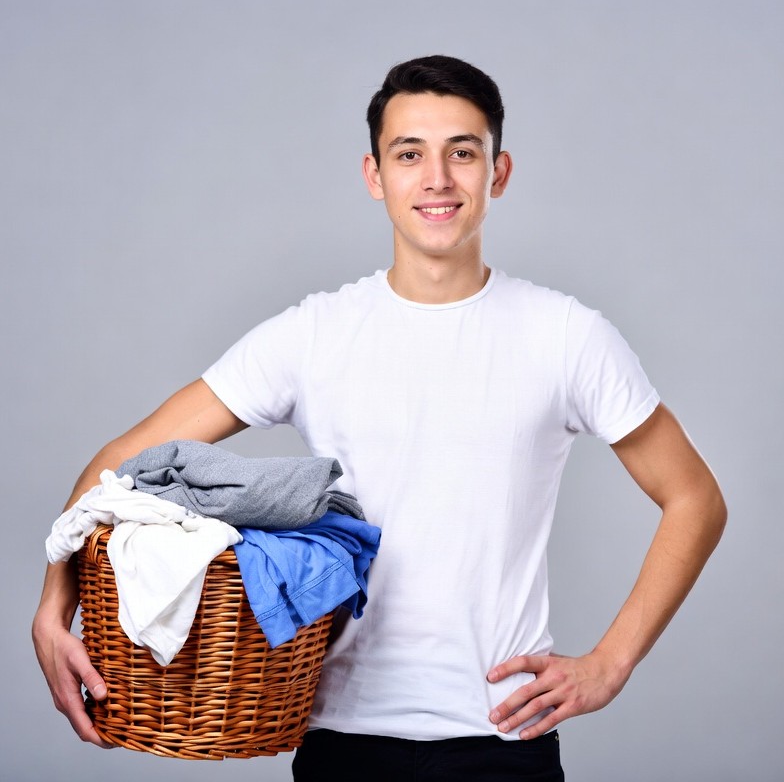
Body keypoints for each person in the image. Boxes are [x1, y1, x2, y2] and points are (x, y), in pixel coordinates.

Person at [33, 55, 727, 781]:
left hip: (504, 740)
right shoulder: (312, 335)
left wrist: (610, 665)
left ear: (499, 172)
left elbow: (695, 498)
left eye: (463, 152)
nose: (437, 178)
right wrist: (55, 604)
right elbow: (122, 464)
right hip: (341, 739)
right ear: (375, 175)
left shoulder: (567, 336)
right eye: (409, 154)